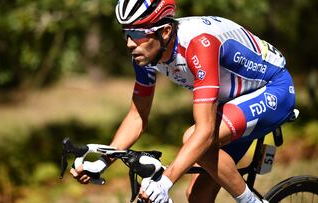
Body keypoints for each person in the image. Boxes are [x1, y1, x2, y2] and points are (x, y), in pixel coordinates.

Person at [70, 0, 296, 202]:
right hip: (234, 104)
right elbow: (137, 116)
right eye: (126, 33)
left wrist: (165, 182)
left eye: (138, 34)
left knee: (193, 136)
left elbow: (205, 131)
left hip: (274, 89)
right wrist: (101, 163)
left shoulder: (200, 44)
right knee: (197, 197)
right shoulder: (146, 54)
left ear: (165, 31)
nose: (130, 43)